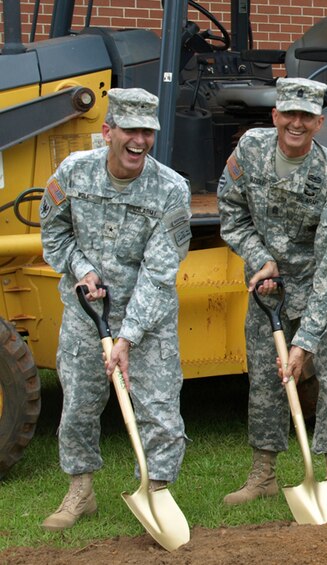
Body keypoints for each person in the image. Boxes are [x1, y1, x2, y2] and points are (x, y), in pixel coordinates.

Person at [39, 88, 192, 530]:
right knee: (79, 406)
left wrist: (128, 337)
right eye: (130, 130)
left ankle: (158, 491)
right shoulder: (72, 174)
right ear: (108, 132)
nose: (139, 141)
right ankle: (80, 491)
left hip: (148, 317)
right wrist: (82, 269)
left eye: (147, 132)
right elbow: (55, 236)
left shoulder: (170, 190)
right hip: (87, 315)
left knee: (160, 409)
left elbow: (159, 272)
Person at [217, 77, 327, 504]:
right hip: (270, 286)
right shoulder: (249, 151)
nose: (296, 124)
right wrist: (259, 256)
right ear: (275, 115)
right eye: (289, 115)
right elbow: (231, 212)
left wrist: (305, 344)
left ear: (319, 122)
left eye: (306, 117)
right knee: (265, 381)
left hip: (324, 288)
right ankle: (262, 475)